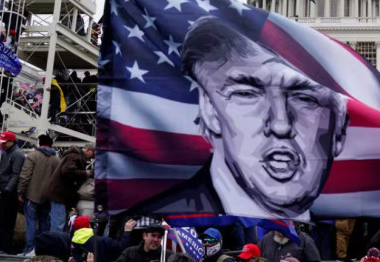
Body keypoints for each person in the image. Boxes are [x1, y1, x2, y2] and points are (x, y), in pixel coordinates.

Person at [141, 17, 349, 220]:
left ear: (339, 126)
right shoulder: (165, 218)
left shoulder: (336, 231)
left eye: (305, 97)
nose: (280, 124)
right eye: (246, 94)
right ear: (209, 108)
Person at [18, 134, 60, 255]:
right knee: (44, 224)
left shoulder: (33, 156)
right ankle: (42, 250)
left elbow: (25, 175)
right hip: (47, 197)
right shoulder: (56, 159)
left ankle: (29, 249)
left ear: (39, 143)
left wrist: (20, 191)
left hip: (32, 195)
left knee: (30, 223)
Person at [44, 143, 95, 232]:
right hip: (60, 195)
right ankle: (54, 244)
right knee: (58, 225)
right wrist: (84, 173)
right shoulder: (76, 157)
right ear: (88, 150)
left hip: (61, 194)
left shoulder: (73, 156)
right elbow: (67, 170)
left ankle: (60, 244)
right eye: (93, 154)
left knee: (62, 224)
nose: (92, 158)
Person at [0, 131, 26, 254]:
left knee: (6, 220)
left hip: (8, 192)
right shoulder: (7, 153)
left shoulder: (17, 154)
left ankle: (4, 247)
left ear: (11, 142)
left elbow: (16, 174)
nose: (2, 145)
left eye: (4, 142)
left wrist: (7, 189)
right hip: (3, 189)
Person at [71, 217, 136, 262]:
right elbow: (123, 249)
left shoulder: (72, 245)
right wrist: (127, 232)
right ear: (89, 227)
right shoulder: (103, 241)